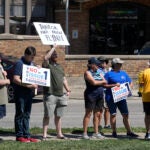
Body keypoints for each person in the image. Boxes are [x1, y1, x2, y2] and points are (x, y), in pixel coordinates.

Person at [104, 58, 138, 138]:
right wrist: (113, 85)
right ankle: (114, 132)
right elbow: (104, 85)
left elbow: (130, 82)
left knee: (125, 115)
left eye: (121, 64)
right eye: (119, 64)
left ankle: (129, 131)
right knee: (113, 115)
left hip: (122, 98)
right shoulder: (108, 74)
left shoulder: (123, 73)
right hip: (111, 98)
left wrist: (129, 87)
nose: (121, 65)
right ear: (114, 64)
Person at [42, 47, 70, 140]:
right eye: (53, 53)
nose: (55, 54)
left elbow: (63, 79)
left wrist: (68, 89)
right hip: (50, 94)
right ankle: (44, 135)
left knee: (58, 115)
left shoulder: (59, 66)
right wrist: (53, 47)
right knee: (47, 115)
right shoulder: (47, 66)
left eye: (56, 53)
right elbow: (45, 58)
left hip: (61, 95)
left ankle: (59, 134)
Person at [13, 46, 39, 143]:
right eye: (31, 57)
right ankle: (19, 135)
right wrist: (27, 85)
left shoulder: (31, 64)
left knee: (27, 114)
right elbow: (16, 79)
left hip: (29, 93)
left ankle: (27, 135)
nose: (33, 59)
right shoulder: (20, 64)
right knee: (20, 113)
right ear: (26, 55)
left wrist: (38, 69)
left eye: (33, 57)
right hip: (20, 93)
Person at [83, 57, 107, 139]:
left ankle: (96, 132)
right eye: (96, 64)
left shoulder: (99, 72)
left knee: (97, 113)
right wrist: (101, 82)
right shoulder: (87, 72)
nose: (98, 65)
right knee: (88, 113)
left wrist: (100, 82)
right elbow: (93, 82)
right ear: (91, 65)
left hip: (100, 94)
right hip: (90, 94)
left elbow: (105, 81)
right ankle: (85, 133)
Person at [97, 56, 111, 129]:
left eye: (105, 62)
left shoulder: (107, 71)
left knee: (107, 108)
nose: (103, 63)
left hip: (107, 91)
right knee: (100, 109)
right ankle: (98, 124)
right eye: (102, 62)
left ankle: (107, 124)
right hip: (100, 91)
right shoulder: (98, 70)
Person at [138, 60, 150, 139]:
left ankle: (147, 133)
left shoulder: (143, 73)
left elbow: (141, 85)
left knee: (147, 115)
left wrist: (140, 92)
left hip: (146, 97)